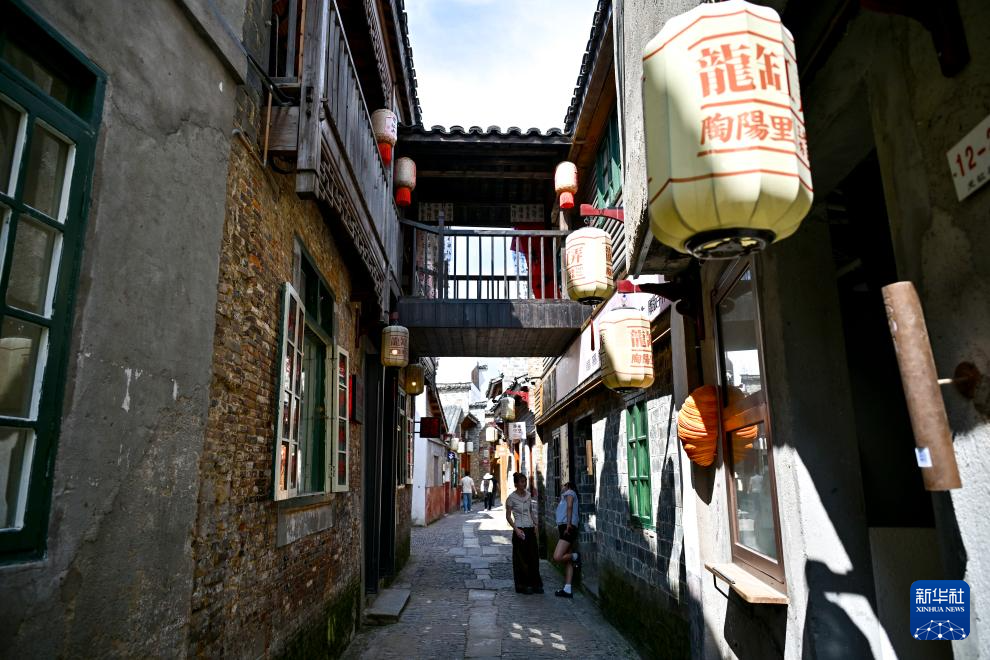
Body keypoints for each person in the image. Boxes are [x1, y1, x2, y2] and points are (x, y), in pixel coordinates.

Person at [505, 472, 543, 595]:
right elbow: (508, 516)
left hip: (530, 528)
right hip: (519, 529)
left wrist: (536, 524)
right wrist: (516, 529)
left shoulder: (528, 495)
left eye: (525, 481)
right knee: (522, 559)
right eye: (522, 482)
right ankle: (524, 585)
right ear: (516, 484)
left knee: (533, 557)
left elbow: (530, 512)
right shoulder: (511, 498)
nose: (524, 484)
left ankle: (536, 584)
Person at [552, 481, 581, 598]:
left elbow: (569, 507)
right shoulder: (566, 495)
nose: (562, 488)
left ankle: (576, 556)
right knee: (567, 559)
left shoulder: (570, 492)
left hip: (567, 527)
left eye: (563, 486)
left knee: (557, 556)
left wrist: (568, 524)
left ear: (567, 486)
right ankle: (567, 589)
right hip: (565, 526)